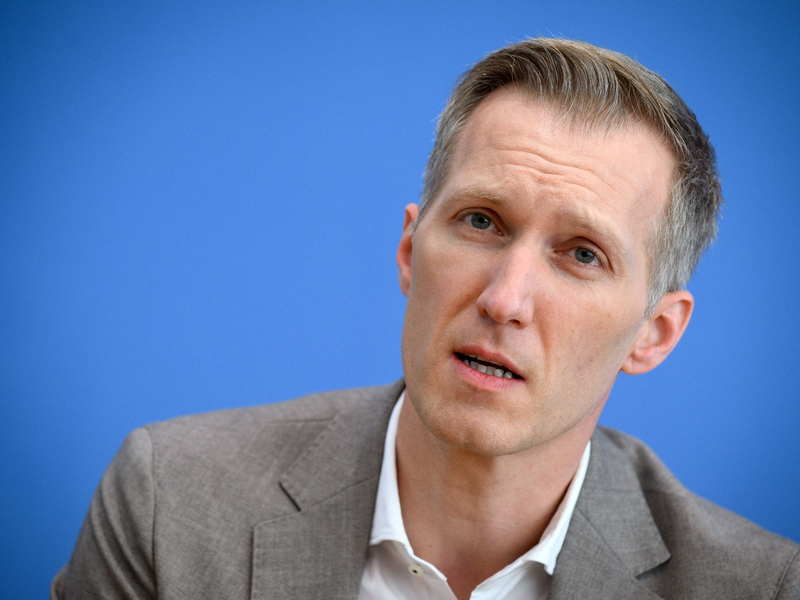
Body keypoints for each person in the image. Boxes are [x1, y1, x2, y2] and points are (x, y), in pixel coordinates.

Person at [52, 38, 799, 600]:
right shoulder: (170, 503)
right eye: (481, 221)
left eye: (581, 255)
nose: (505, 300)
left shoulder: (762, 587)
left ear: (654, 333)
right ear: (411, 249)